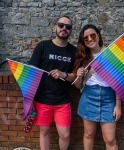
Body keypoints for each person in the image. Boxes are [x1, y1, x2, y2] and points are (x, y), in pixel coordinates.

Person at [29, 16, 76, 150]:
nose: (64, 29)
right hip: (42, 100)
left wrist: (63, 74)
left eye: (68, 27)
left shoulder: (74, 51)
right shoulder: (43, 46)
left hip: (62, 101)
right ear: (55, 27)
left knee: (65, 135)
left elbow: (76, 78)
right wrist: (29, 99)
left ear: (71, 30)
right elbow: (31, 72)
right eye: (61, 25)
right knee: (44, 131)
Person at [73, 24, 121, 150]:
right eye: (86, 38)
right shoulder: (83, 58)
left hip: (109, 98)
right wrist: (79, 75)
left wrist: (118, 105)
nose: (90, 39)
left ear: (98, 35)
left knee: (110, 139)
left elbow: (118, 81)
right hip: (89, 96)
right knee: (89, 134)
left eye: (93, 35)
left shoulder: (110, 55)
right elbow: (78, 86)